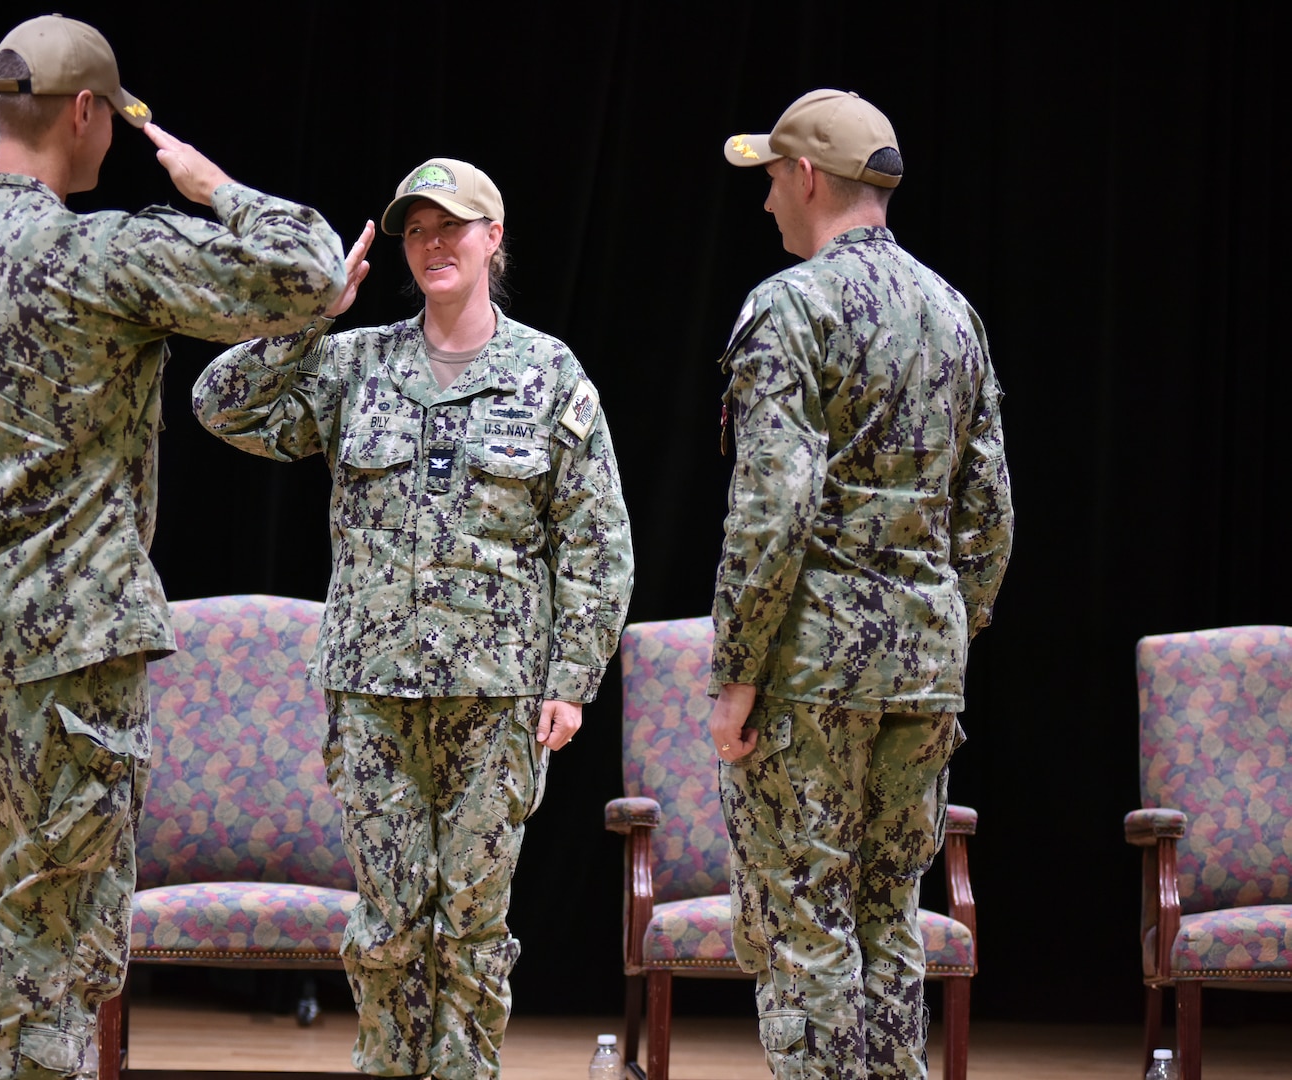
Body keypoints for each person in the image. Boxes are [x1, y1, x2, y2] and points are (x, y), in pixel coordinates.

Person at [0, 14, 345, 1080]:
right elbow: (304, 270)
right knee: (49, 930)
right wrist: (214, 187)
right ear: (85, 113)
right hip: (64, 658)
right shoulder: (98, 255)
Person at [193, 158, 634, 1078]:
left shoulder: (548, 374)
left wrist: (571, 681)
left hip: (497, 693)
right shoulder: (358, 363)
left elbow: (596, 542)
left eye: (454, 226)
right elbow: (219, 404)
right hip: (372, 691)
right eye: (417, 229)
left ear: (493, 239)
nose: (434, 244)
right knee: (388, 919)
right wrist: (314, 313)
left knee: (472, 921)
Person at [707, 90, 1013, 1080]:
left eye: (768, 182)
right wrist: (944, 632)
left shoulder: (788, 308)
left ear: (804, 178)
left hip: (809, 670)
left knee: (803, 928)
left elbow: (770, 509)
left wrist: (738, 673)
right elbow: (989, 513)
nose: (763, 206)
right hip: (922, 669)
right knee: (888, 922)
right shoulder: (953, 313)